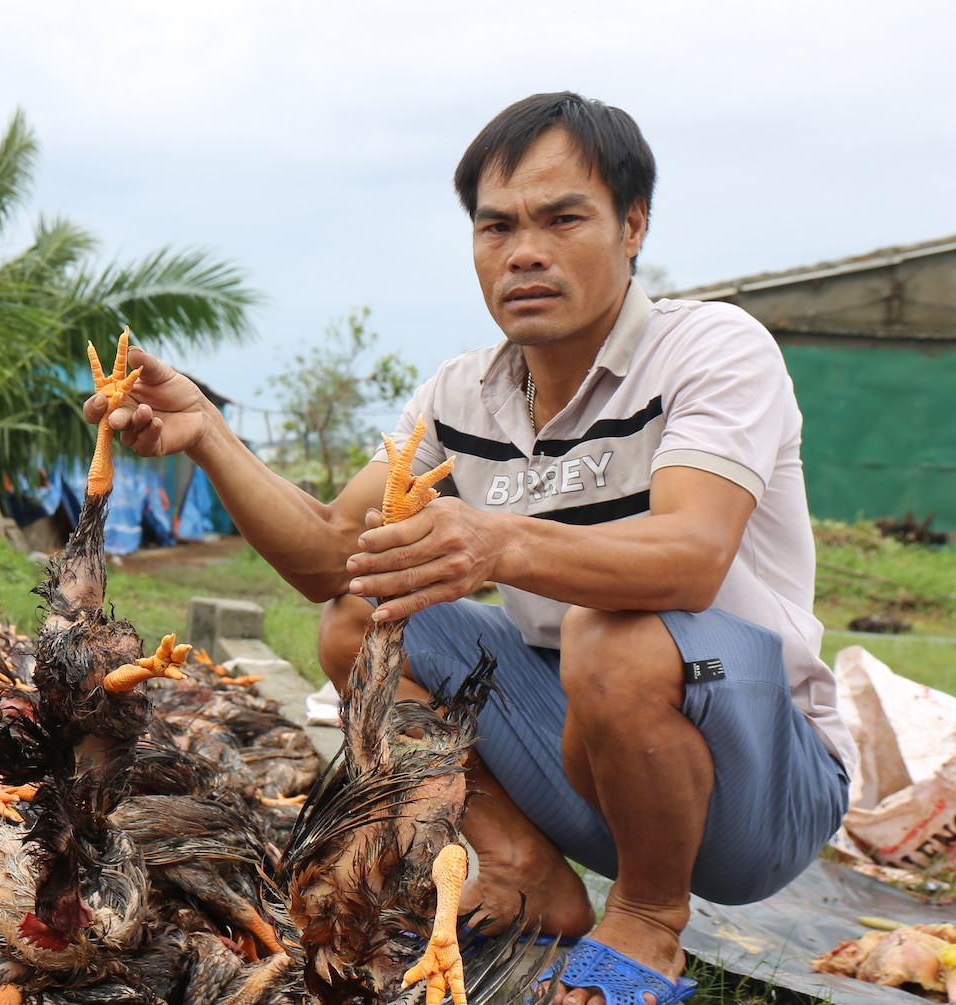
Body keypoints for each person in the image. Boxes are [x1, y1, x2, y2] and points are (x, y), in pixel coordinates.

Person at [86, 91, 851, 1005]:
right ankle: (526, 867)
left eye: (563, 217)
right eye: (497, 227)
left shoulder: (712, 349)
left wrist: (497, 543)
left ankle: (647, 921)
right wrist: (208, 433)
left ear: (633, 224)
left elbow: (692, 556)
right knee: (363, 619)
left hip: (762, 784)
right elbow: (334, 553)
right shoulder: (463, 394)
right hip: (595, 762)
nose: (524, 250)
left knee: (614, 635)